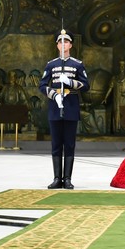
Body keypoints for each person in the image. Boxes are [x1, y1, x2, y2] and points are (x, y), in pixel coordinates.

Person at [39, 30, 89, 190]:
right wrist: (54, 95)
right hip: (55, 107)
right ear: (57, 45)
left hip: (71, 107)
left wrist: (70, 82)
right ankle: (56, 178)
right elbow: (42, 85)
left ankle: (67, 179)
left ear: (70, 45)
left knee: (69, 144)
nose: (63, 45)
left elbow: (86, 85)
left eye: (65, 42)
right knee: (56, 144)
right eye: (60, 42)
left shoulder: (77, 64)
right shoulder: (51, 65)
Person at [102, 59, 125, 133]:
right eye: (121, 66)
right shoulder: (114, 78)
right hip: (116, 100)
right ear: (118, 67)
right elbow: (110, 88)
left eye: (123, 65)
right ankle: (116, 130)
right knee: (116, 113)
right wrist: (105, 98)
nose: (122, 67)